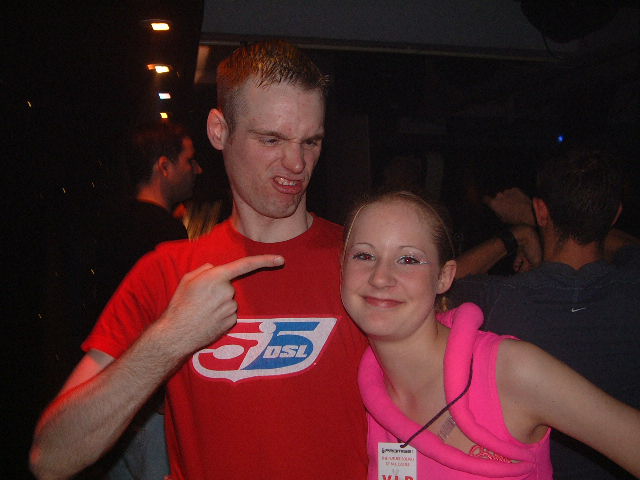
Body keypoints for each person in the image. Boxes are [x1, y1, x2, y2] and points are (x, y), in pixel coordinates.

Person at [30, 40, 368, 480]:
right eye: (271, 139)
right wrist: (169, 340)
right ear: (219, 130)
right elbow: (51, 457)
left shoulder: (364, 263)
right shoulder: (167, 272)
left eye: (311, 141)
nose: (297, 163)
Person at [340, 190, 640, 479]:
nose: (380, 277)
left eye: (408, 259)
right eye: (364, 255)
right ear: (341, 269)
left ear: (444, 277)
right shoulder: (354, 389)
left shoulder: (508, 370)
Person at [450, 149, 640, 479]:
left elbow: (441, 282)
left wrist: (518, 234)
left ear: (541, 210)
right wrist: (570, 216)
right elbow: (628, 246)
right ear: (615, 216)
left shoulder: (501, 299)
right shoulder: (633, 288)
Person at [88, 121, 202, 480]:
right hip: (153, 409)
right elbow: (179, 322)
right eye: (189, 160)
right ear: (163, 167)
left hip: (112, 404)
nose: (197, 169)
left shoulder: (108, 225)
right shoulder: (165, 236)